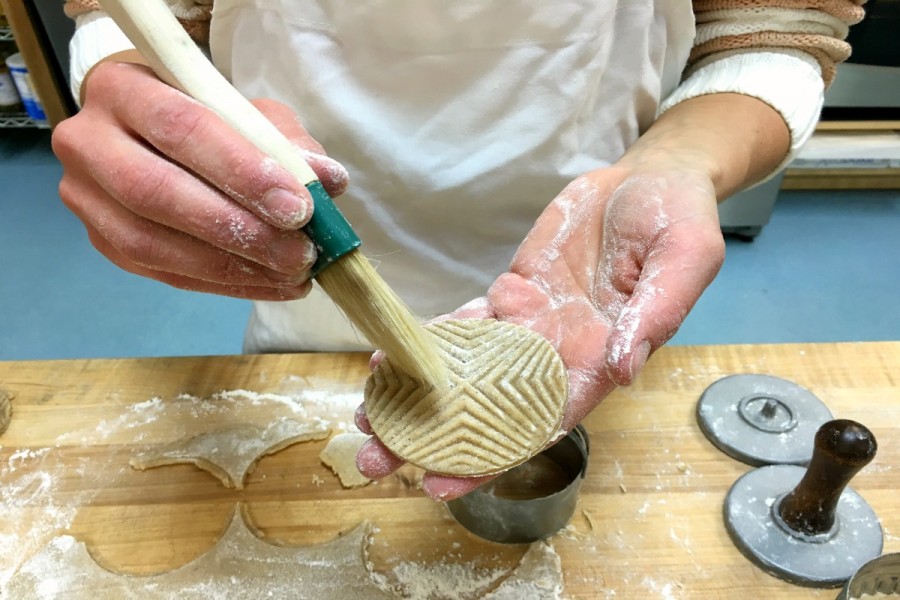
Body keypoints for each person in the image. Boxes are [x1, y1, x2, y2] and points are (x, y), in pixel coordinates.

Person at [55, 0, 865, 500]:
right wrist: (139, 112)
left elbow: (783, 23)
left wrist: (678, 161)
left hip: (581, 275)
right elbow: (138, 20)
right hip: (300, 258)